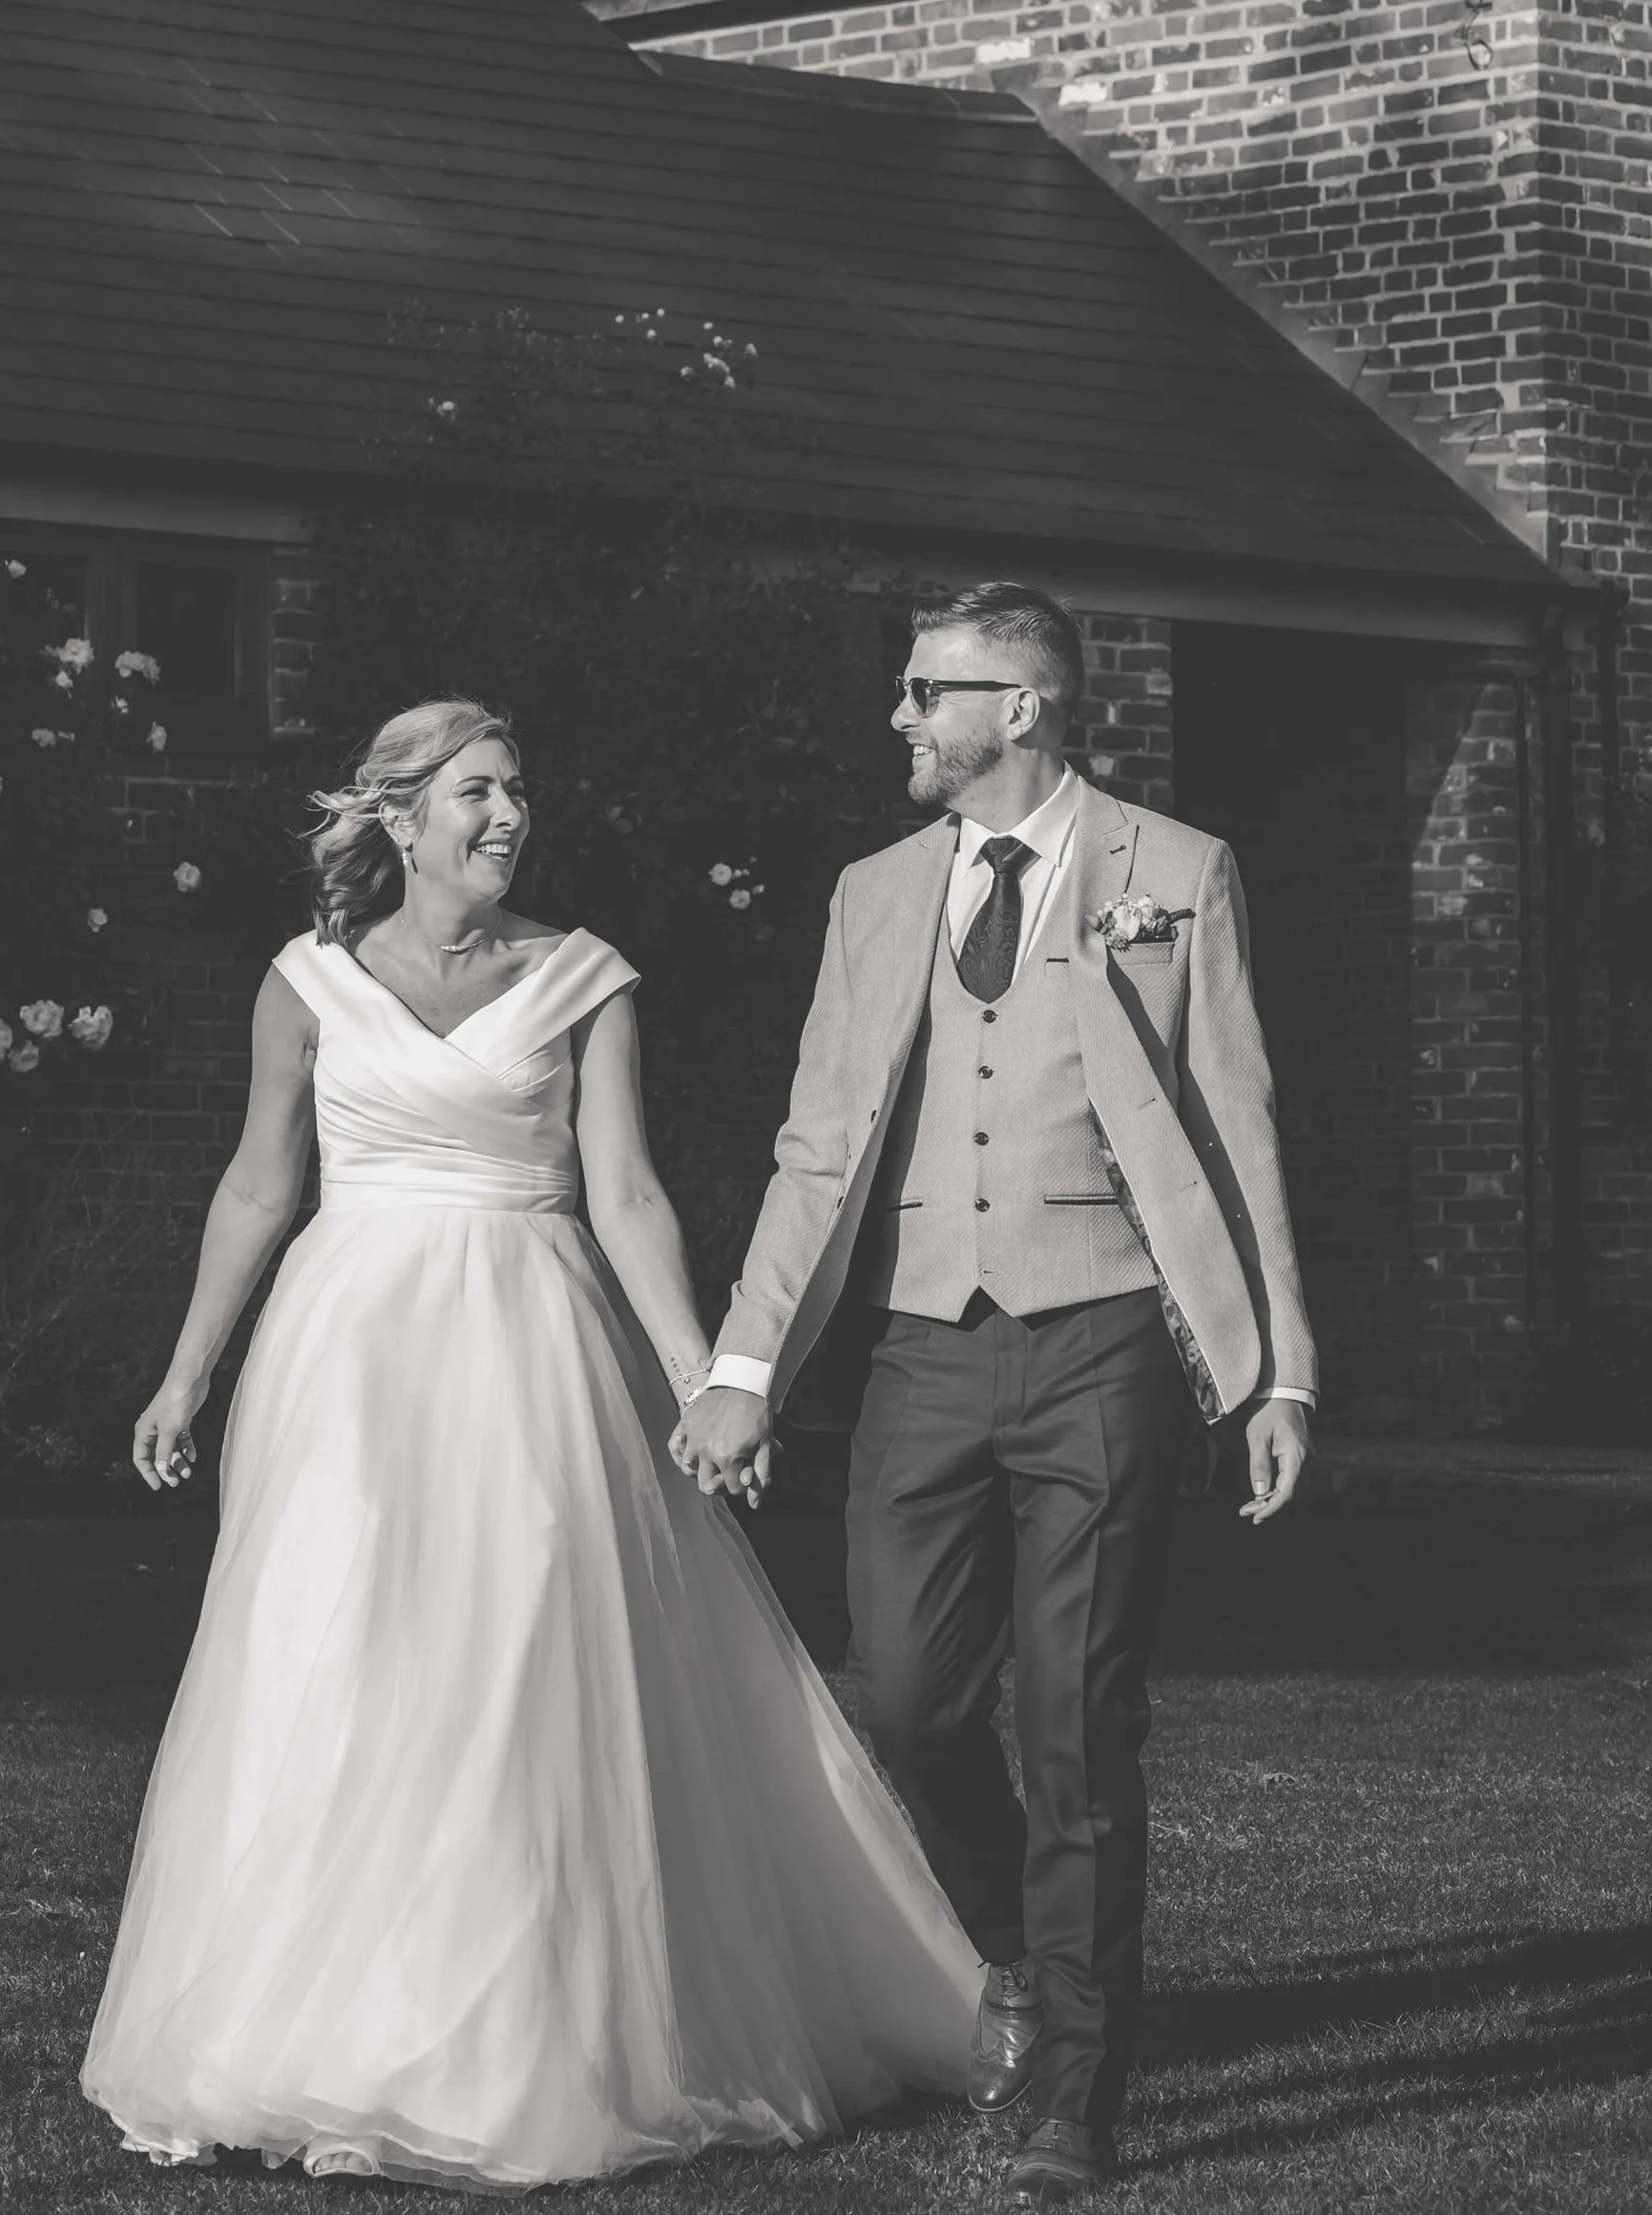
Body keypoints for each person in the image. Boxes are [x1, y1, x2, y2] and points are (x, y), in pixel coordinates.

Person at [83, 697, 984, 2186]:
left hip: (533, 1346)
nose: (509, 816)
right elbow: (257, 1185)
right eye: (478, 792)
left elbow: (624, 1196)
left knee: (518, 1659)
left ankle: (526, 2034)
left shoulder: (583, 978)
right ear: (399, 812)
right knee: (339, 1653)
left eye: (517, 792)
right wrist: (185, 1374)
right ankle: (306, 2030)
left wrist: (708, 1375)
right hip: (350, 1355)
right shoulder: (304, 982)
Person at [674, 584, 1316, 2201]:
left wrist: (1276, 1371)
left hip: (1102, 1335)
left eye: (925, 689)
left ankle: (1077, 2087)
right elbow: (818, 1141)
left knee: (1078, 1717)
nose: (900, 715)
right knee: (904, 1694)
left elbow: (1240, 1126)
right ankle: (1027, 1951)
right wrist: (745, 1359)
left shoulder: (1174, 871)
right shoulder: (874, 891)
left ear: (1021, 703)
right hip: (918, 1346)